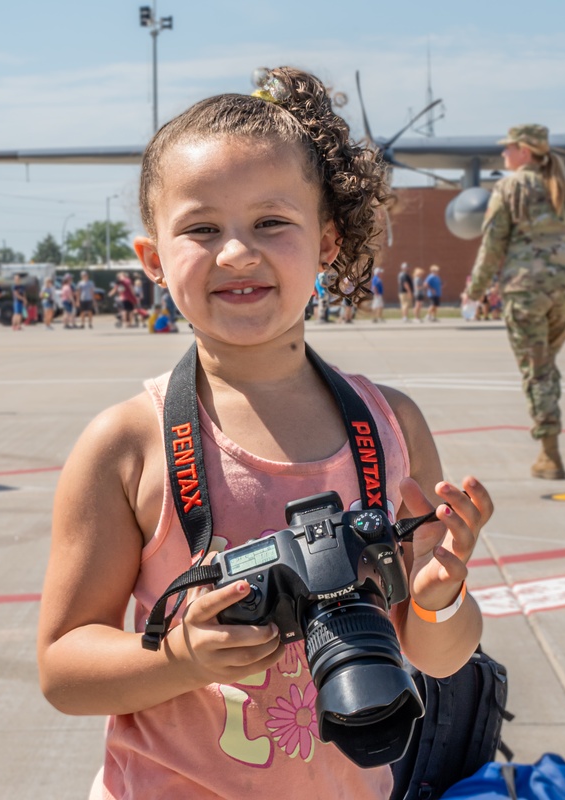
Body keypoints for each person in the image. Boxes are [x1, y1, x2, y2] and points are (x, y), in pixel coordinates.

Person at [37, 66, 491, 799]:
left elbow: (437, 659)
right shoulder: (127, 444)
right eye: (201, 228)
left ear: (329, 240)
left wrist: (439, 597)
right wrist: (181, 658)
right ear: (152, 258)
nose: (237, 253)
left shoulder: (390, 428)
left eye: (271, 222)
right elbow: (62, 668)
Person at [466, 124, 565, 480]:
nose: (504, 155)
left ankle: (550, 453)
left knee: (536, 369)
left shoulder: (510, 187)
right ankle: (549, 439)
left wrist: (476, 288)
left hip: (527, 290)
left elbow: (493, 242)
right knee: (545, 365)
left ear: (524, 151)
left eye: (508, 148)